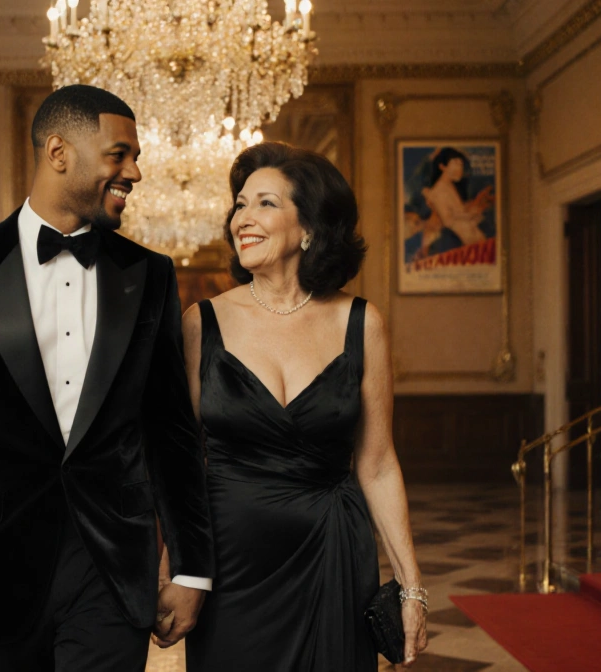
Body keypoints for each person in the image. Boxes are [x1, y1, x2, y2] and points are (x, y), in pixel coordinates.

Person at [0, 84, 215, 672]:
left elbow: (173, 434)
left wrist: (192, 566)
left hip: (112, 573)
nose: (135, 172)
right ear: (59, 152)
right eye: (121, 154)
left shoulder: (152, 276)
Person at [173, 142, 428, 670]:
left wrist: (412, 588)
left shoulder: (361, 323)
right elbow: (180, 462)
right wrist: (173, 570)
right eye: (239, 204)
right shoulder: (202, 323)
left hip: (333, 553)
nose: (242, 217)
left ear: (309, 226)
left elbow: (377, 464)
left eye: (264, 203)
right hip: (230, 564)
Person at [421, 147, 494, 247]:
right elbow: (447, 221)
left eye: (461, 165)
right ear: (442, 166)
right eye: (456, 164)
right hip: (464, 242)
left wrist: (474, 209)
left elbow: (457, 211)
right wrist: (469, 214)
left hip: (474, 238)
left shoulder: (450, 186)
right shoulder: (439, 191)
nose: (460, 169)